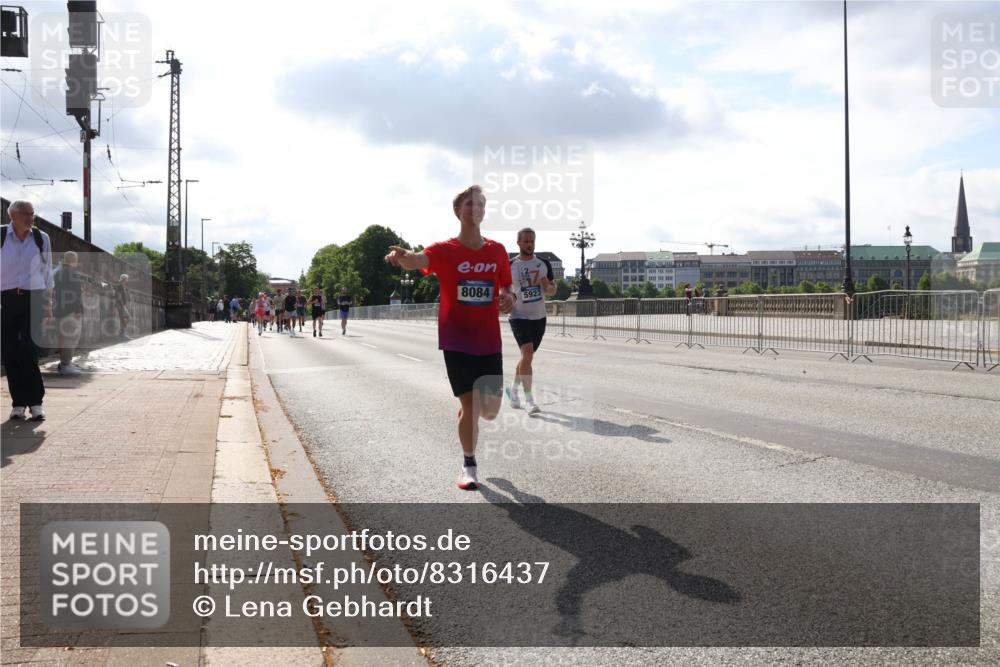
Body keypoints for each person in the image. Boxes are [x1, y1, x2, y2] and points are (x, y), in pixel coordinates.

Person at [385, 184, 515, 490]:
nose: (477, 209)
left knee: (491, 410)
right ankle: (469, 465)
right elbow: (416, 260)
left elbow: (507, 286)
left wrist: (509, 297)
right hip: (456, 338)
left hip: (488, 339)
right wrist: (402, 256)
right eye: (470, 204)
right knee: (470, 405)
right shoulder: (444, 250)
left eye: (481, 204)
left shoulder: (496, 250)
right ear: (458, 211)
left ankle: (468, 412)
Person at [1, 200, 54, 420]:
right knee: (10, 352)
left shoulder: (41, 239)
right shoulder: (2, 236)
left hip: (35, 298)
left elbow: (48, 272)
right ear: (13, 215)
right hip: (6, 298)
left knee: (28, 349)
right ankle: (18, 403)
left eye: (33, 214)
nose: (31, 218)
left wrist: (49, 305)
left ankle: (36, 401)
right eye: (26, 214)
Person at [506, 228, 556, 414]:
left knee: (526, 358)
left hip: (539, 317)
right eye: (526, 241)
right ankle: (529, 400)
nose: (529, 244)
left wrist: (547, 286)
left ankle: (513, 391)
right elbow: (503, 288)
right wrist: (506, 298)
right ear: (518, 242)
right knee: (527, 355)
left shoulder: (543, 264)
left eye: (532, 241)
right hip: (518, 315)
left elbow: (552, 291)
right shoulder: (510, 265)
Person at [52, 251, 86, 376]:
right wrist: (77, 310)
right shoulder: (74, 274)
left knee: (62, 337)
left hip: (59, 309)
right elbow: (76, 294)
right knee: (71, 338)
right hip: (70, 310)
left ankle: (64, 364)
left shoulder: (57, 272)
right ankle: (66, 365)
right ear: (73, 260)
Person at [113, 274, 131, 340]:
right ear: (124, 279)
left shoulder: (124, 287)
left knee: (125, 319)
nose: (127, 280)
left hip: (123, 305)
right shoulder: (119, 286)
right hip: (120, 305)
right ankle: (122, 333)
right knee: (125, 318)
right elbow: (117, 297)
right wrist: (117, 306)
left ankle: (122, 333)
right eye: (126, 279)